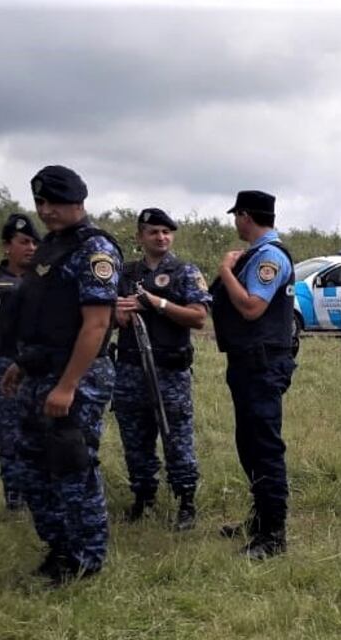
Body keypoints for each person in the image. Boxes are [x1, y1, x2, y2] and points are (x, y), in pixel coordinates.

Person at [1, 165, 122, 584]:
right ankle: (59, 549)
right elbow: (42, 315)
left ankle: (86, 559)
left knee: (72, 466)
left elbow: (94, 326)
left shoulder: (95, 249)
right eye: (40, 203)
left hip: (77, 378)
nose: (46, 210)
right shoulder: (51, 247)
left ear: (77, 200)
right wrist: (22, 364)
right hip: (40, 372)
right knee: (33, 467)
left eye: (53, 202)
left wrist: (67, 386)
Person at [210, 190, 296, 560]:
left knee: (263, 446)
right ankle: (260, 520)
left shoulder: (269, 258)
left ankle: (273, 536)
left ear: (246, 216)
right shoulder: (257, 256)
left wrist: (225, 272)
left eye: (237, 216)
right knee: (249, 444)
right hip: (248, 362)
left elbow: (251, 307)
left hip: (262, 364)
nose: (235, 222)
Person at [113, 208, 211, 530]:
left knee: (176, 437)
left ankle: (185, 501)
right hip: (130, 370)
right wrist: (119, 314)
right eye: (154, 232)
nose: (161, 237)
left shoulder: (184, 271)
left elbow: (198, 317)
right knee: (135, 439)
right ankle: (143, 497)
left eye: (167, 232)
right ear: (141, 236)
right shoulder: (125, 273)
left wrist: (157, 304)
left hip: (169, 371)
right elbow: (103, 315)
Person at [0, 213, 39, 511]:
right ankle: (14, 494)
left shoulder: (42, 280)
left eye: (33, 242)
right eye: (23, 242)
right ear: (7, 246)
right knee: (7, 432)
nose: (30, 247)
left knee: (38, 430)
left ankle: (38, 492)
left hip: (35, 363)